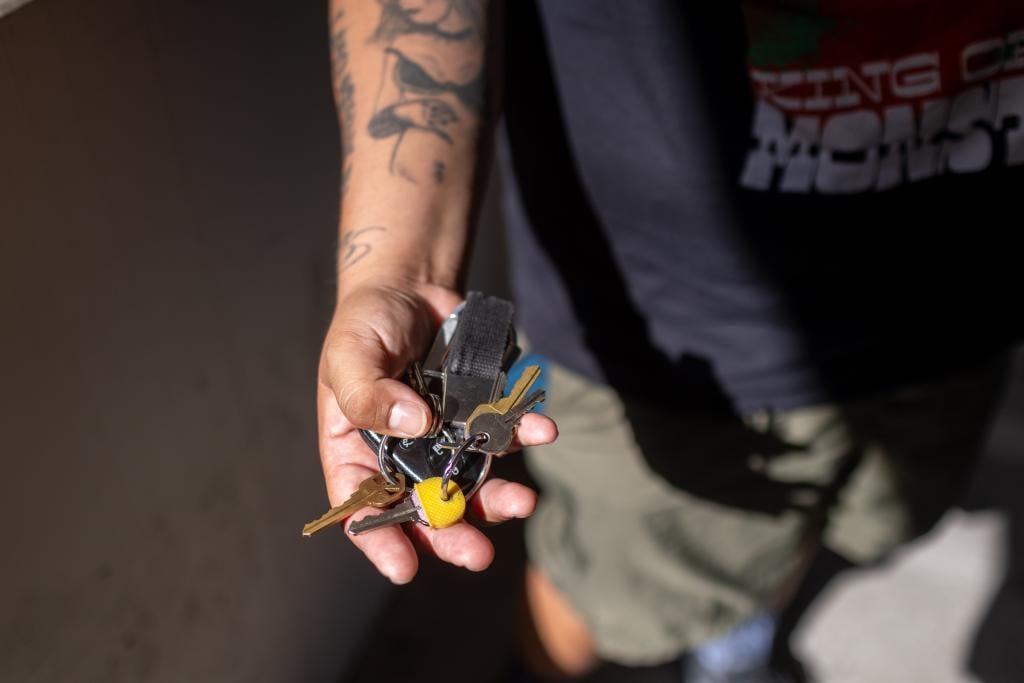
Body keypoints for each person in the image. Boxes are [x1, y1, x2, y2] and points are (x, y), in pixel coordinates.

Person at [316, 1, 1023, 681]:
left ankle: (735, 645)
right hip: (660, 344)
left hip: (965, 303)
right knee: (611, 591)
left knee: (828, 528)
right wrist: (400, 268)